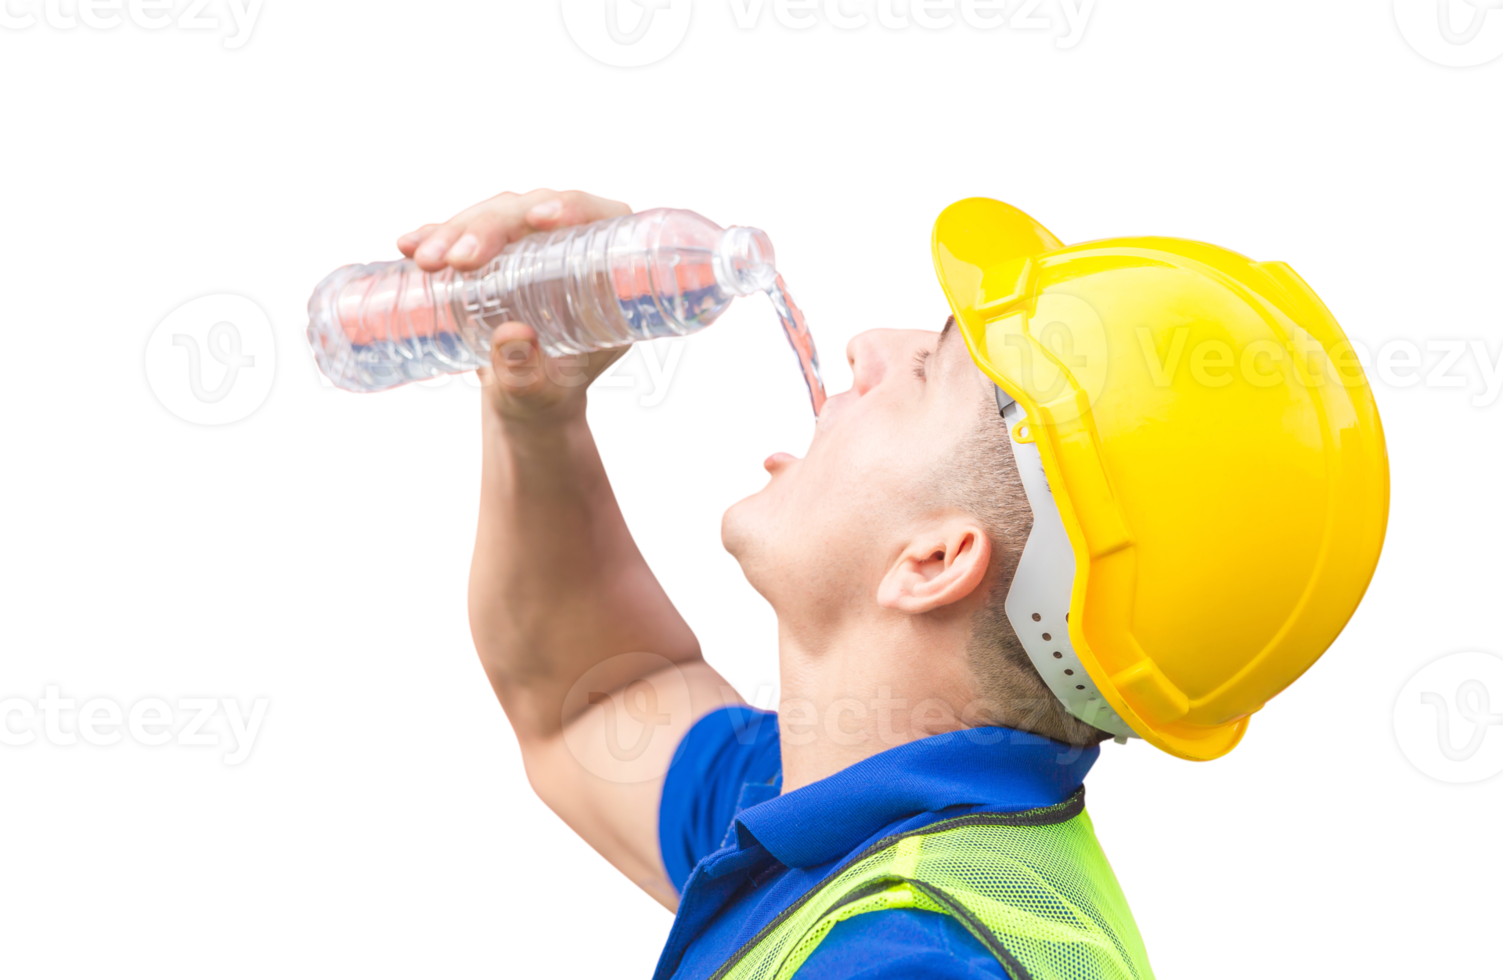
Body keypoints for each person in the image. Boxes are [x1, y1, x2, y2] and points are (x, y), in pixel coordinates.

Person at [401, 185, 1390, 979]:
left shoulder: (913, 955)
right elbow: (592, 701)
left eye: (929, 370)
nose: (868, 344)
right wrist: (539, 402)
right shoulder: (868, 817)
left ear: (935, 559)